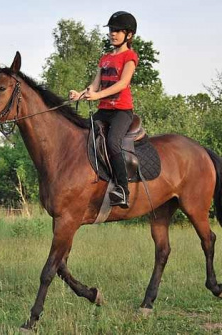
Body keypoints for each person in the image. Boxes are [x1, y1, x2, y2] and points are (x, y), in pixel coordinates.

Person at [69, 11, 138, 208]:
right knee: (82, 135)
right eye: (111, 30)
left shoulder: (130, 56)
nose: (113, 34)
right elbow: (95, 85)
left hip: (121, 112)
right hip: (104, 110)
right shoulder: (105, 58)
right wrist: (80, 94)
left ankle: (123, 190)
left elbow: (123, 84)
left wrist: (97, 96)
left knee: (112, 142)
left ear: (129, 35)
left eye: (117, 30)